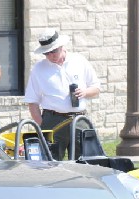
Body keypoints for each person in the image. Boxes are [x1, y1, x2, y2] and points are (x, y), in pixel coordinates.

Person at [24, 28, 101, 160]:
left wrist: (85, 92)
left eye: (54, 51)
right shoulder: (38, 68)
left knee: (85, 161)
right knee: (49, 163)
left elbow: (96, 88)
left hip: (78, 119)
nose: (51, 55)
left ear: (61, 46)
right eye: (47, 53)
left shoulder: (79, 61)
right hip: (52, 119)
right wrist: (42, 125)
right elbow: (32, 101)